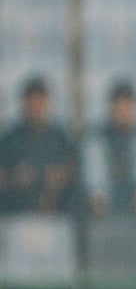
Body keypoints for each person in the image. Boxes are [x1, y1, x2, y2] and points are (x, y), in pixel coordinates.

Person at [0, 75, 80, 215]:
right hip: (16, 216)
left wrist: (59, 178)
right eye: (32, 101)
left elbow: (75, 176)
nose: (36, 106)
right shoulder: (9, 140)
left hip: (57, 216)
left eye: (41, 101)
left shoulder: (61, 139)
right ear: (24, 103)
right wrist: (15, 178)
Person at [82, 80, 136, 217]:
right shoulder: (98, 136)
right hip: (106, 195)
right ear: (111, 108)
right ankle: (98, 199)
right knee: (94, 145)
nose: (123, 112)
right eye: (119, 106)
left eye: (128, 106)